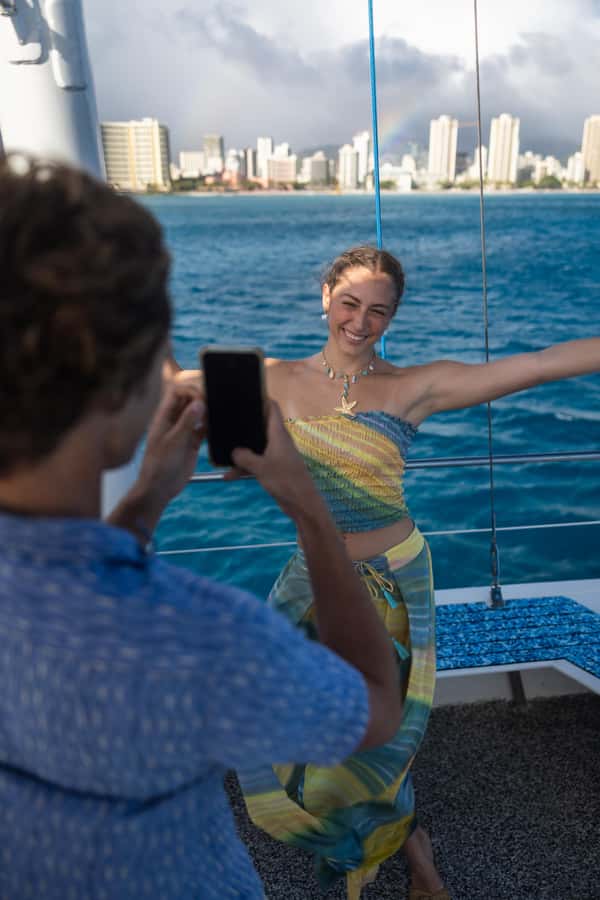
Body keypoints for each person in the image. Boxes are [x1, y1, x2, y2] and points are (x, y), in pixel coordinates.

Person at [0, 159, 406, 900]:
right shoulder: (193, 635)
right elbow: (374, 706)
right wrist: (307, 505)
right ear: (122, 386)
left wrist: (149, 496)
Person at [173, 245, 598, 900]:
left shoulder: (411, 387)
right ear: (324, 297)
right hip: (312, 578)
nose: (360, 321)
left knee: (382, 739)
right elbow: (171, 380)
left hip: (395, 584)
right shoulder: (270, 379)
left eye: (379, 311)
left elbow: (537, 366)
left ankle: (416, 860)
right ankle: (384, 846)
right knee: (309, 728)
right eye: (349, 303)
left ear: (393, 317)